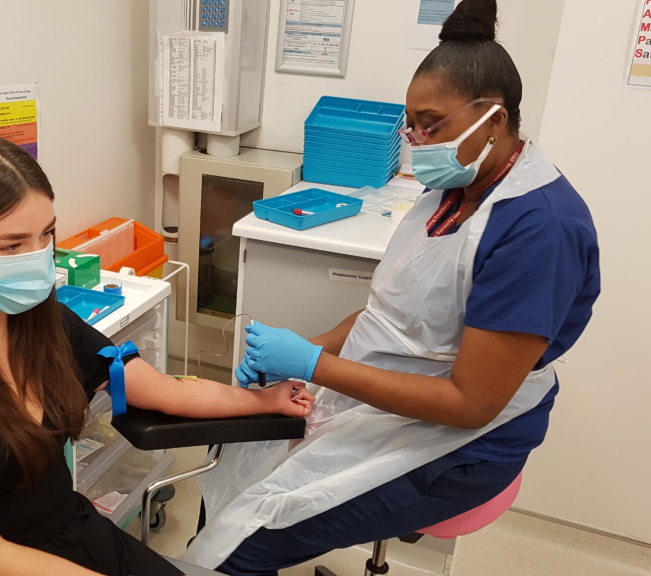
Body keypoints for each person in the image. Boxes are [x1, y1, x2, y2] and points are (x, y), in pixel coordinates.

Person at [180, 1, 601, 574]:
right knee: (236, 450)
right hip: (389, 393)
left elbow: (471, 404)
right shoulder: (450, 191)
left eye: (432, 124)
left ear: (494, 119)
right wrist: (309, 350)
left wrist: (315, 365)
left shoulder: (539, 230)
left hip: (459, 445)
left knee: (249, 532)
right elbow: (395, 313)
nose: (418, 139)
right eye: (413, 125)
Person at [0, 127, 314, 576]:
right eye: (11, 246)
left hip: (76, 534)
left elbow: (161, 390)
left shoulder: (36, 321)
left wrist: (264, 400)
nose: (37, 257)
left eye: (46, 234)